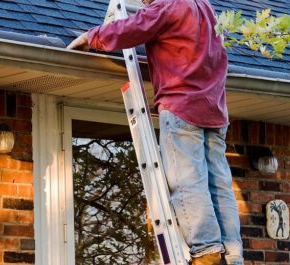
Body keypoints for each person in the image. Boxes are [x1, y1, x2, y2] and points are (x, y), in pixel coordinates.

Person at [67, 0, 243, 264]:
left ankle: (206, 251)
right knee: (218, 184)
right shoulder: (205, 7)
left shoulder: (169, 4)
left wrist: (90, 36)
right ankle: (233, 253)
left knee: (188, 182)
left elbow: (131, 28)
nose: (145, 3)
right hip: (215, 110)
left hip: (182, 107)